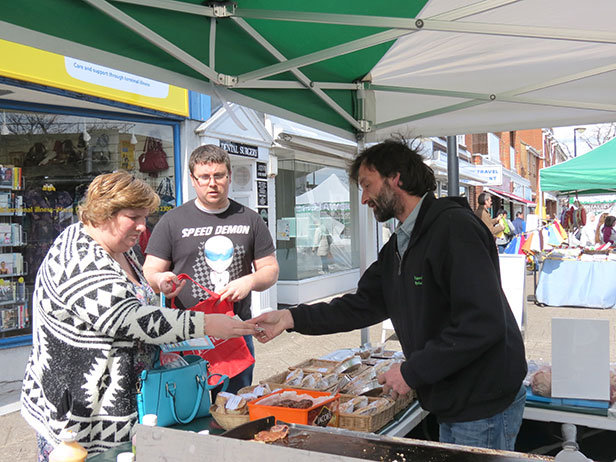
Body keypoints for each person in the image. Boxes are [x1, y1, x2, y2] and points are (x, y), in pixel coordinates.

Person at [250, 138, 527, 451]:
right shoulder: (399, 245)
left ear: (397, 178)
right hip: (453, 398)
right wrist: (290, 317)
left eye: (368, 185)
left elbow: (482, 322)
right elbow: (361, 305)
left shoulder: (454, 229)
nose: (364, 197)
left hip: (482, 402)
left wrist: (412, 371)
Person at [20, 171, 257, 460]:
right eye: (134, 217)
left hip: (123, 409)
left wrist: (157, 287)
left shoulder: (118, 247)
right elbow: (127, 318)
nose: (143, 227)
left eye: (145, 217)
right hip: (81, 417)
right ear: (104, 213)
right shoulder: (77, 257)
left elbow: (135, 298)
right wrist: (205, 324)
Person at [143, 145, 279, 396]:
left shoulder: (249, 219)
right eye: (204, 177)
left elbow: (270, 270)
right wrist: (161, 280)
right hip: (187, 332)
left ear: (228, 176)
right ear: (193, 180)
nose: (212, 183)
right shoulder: (173, 221)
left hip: (236, 331)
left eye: (219, 176)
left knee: (235, 405)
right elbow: (150, 270)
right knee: (188, 405)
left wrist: (249, 281)